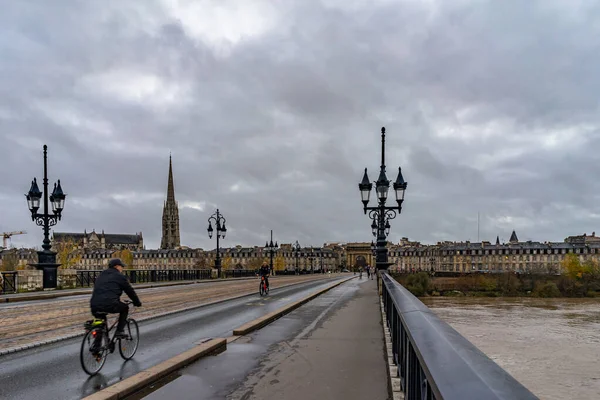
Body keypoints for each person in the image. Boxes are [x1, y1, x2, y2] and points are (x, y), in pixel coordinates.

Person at [90, 258, 142, 338]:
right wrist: (137, 302)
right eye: (122, 266)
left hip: (94, 305)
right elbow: (130, 291)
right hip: (109, 304)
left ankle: (96, 348)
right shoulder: (120, 276)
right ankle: (119, 331)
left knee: (101, 325)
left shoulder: (101, 274)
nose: (122, 269)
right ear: (117, 266)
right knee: (125, 308)